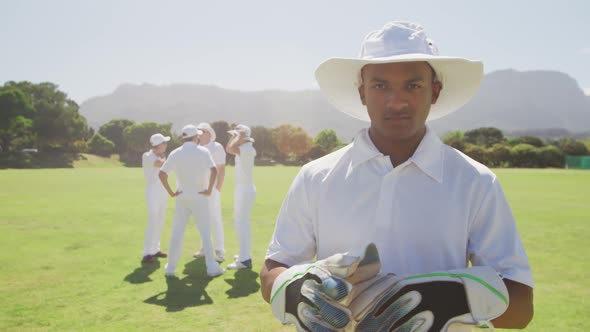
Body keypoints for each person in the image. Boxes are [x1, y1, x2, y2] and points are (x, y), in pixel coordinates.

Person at [261, 22, 533, 331]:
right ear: (362, 93)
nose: (396, 101)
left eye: (413, 85)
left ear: (435, 91)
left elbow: (521, 308)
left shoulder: (476, 181)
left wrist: (452, 299)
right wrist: (294, 288)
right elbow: (273, 269)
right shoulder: (315, 177)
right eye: (380, 86)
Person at [159, 124, 224, 278]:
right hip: (200, 196)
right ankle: (212, 268)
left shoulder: (175, 153)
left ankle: (170, 268)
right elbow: (214, 170)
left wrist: (171, 193)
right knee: (205, 233)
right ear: (196, 137)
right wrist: (209, 190)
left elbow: (162, 174)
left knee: (177, 232)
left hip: (182, 196)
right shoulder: (203, 151)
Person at [193, 122, 227, 262]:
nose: (199, 134)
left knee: (215, 219)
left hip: (212, 190)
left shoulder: (216, 147)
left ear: (209, 133)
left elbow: (221, 168)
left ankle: (219, 251)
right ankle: (204, 248)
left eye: (202, 131)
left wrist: (218, 187)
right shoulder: (196, 148)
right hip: (199, 190)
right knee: (202, 219)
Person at [225, 124, 257, 270]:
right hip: (242, 189)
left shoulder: (247, 149)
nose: (234, 138)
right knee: (240, 222)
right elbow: (231, 147)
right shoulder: (244, 148)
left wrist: (237, 136)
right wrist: (236, 136)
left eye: (236, 136)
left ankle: (245, 260)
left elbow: (229, 148)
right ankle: (244, 254)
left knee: (242, 223)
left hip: (245, 190)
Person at [140, 133, 171, 264]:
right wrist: (169, 159)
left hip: (162, 191)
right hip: (152, 192)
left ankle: (155, 249)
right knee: (153, 221)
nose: (166, 145)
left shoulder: (160, 156)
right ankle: (147, 253)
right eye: (164, 143)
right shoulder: (147, 156)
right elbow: (161, 164)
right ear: (159, 145)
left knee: (160, 221)